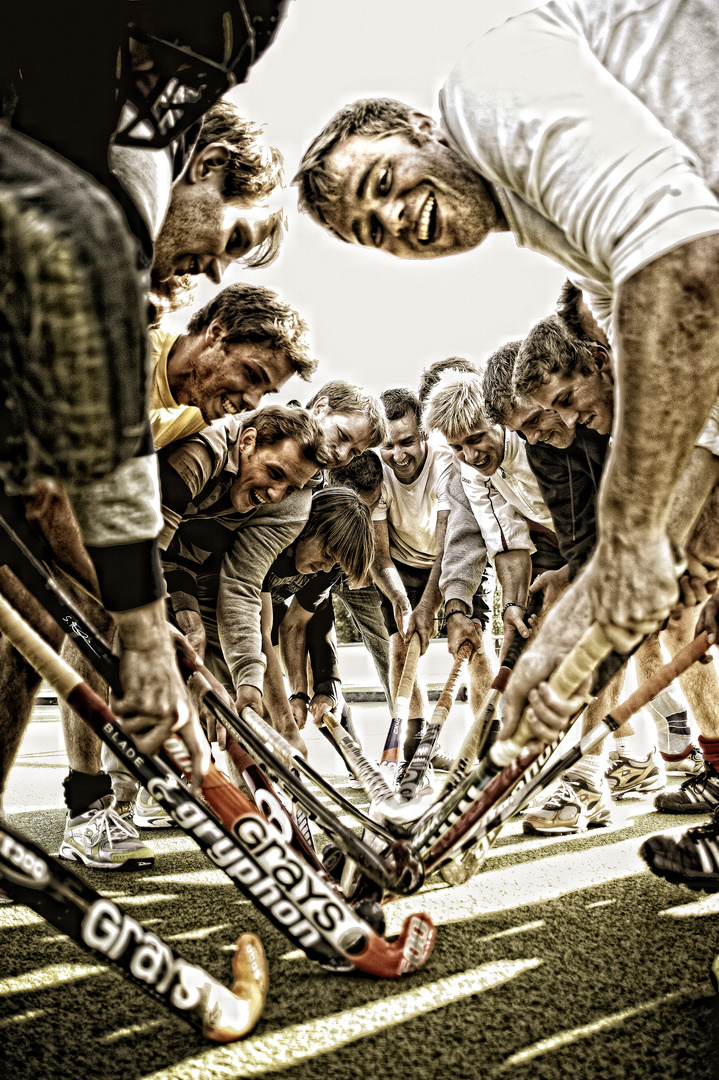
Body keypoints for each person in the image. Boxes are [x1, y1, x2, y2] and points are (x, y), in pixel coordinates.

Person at [294, 0, 719, 749]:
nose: (393, 216)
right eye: (371, 231)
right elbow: (702, 408)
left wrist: (627, 547)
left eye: (385, 178)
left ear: (422, 128)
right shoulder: (587, 261)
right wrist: (649, 558)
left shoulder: (489, 88)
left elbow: (685, 267)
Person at [0, 1, 290, 860]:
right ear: (199, 163)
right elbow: (76, 483)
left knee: (28, 615)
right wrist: (145, 631)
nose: (214, 270)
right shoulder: (124, 174)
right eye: (230, 238)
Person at [370, 388, 491, 781]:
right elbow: (380, 556)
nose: (398, 454)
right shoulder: (376, 469)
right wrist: (407, 605)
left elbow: (446, 550)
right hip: (401, 563)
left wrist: (431, 606)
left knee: (475, 644)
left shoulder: (444, 462)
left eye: (407, 442)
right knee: (401, 645)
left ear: (423, 434)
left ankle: (488, 748)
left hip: (450, 555)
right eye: (389, 445)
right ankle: (414, 751)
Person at [259, 485, 374, 768]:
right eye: (326, 553)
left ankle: (355, 760)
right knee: (261, 695)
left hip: (280, 613)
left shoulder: (327, 567)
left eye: (333, 562)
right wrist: (285, 716)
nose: (324, 568)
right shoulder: (270, 539)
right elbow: (258, 635)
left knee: (323, 685)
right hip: (239, 607)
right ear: (310, 527)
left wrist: (300, 693)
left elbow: (295, 625)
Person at [149, 281, 317, 446]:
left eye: (265, 393)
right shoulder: (131, 355)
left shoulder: (204, 405)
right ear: (216, 334)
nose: (253, 403)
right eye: (253, 375)